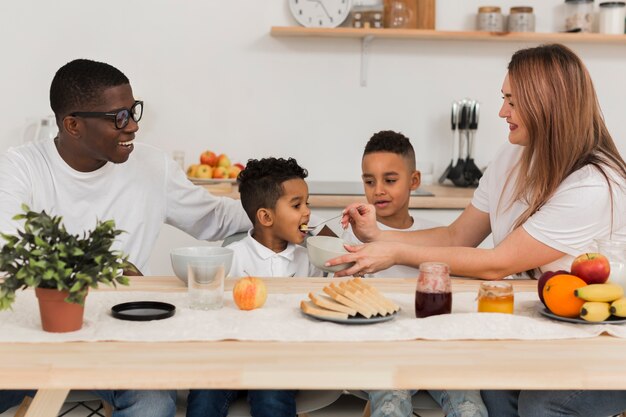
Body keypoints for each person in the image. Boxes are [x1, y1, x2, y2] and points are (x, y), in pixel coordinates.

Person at [331, 44, 626, 416]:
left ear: (547, 105)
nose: (502, 112)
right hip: (547, 330)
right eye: (504, 99)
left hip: (604, 341)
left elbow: (496, 263)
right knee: (493, 388)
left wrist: (396, 252)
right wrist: (378, 236)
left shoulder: (594, 185)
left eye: (513, 102)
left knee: (540, 404)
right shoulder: (512, 156)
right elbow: (457, 237)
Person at [0, 59, 251, 416]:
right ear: (73, 125)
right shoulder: (21, 167)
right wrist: (102, 266)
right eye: (119, 117)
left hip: (124, 336)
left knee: (154, 405)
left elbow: (214, 217)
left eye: (133, 111)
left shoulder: (152, 166)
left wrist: (294, 215)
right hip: (37, 333)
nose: (133, 126)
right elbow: (8, 250)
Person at [345, 130, 486, 417]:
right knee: (390, 406)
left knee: (470, 408)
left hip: (439, 350)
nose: (378, 190)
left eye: (390, 180)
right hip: (382, 351)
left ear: (415, 181)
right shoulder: (350, 235)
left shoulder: (437, 235)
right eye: (369, 181)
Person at [186, 156, 322, 417]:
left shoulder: (308, 260)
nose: (307, 212)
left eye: (307, 203)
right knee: (204, 396)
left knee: (271, 396)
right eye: (297, 205)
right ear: (265, 217)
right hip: (229, 360)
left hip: (282, 362)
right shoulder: (231, 258)